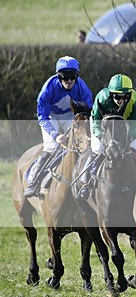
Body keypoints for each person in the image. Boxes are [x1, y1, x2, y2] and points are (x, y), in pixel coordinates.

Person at [24, 56, 93, 198]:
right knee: (52, 146)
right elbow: (42, 117)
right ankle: (34, 182)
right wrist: (56, 135)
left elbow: (89, 111)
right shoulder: (47, 90)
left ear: (77, 76)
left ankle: (87, 179)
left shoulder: (82, 88)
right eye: (64, 76)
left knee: (81, 143)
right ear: (58, 76)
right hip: (50, 116)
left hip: (69, 115)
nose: (68, 80)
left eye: (72, 76)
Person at [77, 74, 136, 200]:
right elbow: (96, 121)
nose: (119, 99)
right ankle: (86, 183)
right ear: (110, 93)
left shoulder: (135, 99)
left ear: (129, 94)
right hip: (103, 125)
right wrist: (101, 136)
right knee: (97, 149)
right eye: (116, 96)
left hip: (125, 123)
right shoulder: (103, 97)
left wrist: (130, 137)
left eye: (123, 96)